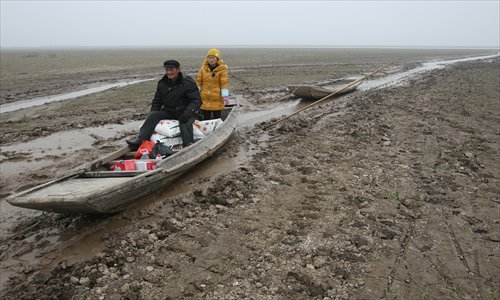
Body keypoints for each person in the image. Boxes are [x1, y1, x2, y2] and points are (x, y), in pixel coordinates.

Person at [126, 60, 201, 150]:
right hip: (170, 111)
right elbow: (157, 101)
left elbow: (196, 100)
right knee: (153, 116)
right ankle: (139, 142)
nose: (169, 72)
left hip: (185, 110)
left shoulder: (187, 82)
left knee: (184, 122)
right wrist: (152, 114)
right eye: (167, 70)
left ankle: (188, 145)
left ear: (178, 70)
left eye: (171, 69)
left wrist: (188, 112)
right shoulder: (162, 83)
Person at [196, 48, 230, 120]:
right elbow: (199, 82)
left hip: (216, 99)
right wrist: (196, 92)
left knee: (217, 118)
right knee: (205, 118)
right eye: (209, 58)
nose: (211, 60)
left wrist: (225, 96)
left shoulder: (222, 70)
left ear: (217, 59)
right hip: (204, 99)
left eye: (213, 58)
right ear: (207, 58)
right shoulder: (203, 69)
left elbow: (224, 84)